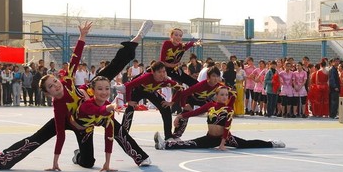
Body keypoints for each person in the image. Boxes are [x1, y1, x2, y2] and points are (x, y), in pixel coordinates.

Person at [0, 20, 154, 171]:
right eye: (51, 87)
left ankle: (140, 157)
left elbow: (75, 59)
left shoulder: (67, 81)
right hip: (73, 122)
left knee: (111, 75)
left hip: (90, 104)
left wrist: (82, 37)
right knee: (49, 144)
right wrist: (55, 162)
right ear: (48, 93)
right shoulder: (58, 107)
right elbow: (60, 134)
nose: (56, 86)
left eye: (55, 81)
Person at [153, 86, 285, 150]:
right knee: (190, 144)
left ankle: (271, 143)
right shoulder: (210, 105)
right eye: (221, 94)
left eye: (226, 95)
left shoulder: (228, 110)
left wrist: (222, 144)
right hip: (210, 138)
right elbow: (195, 112)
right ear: (216, 96)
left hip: (225, 138)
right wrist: (181, 116)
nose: (224, 97)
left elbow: (227, 127)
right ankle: (164, 145)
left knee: (246, 144)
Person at [121, 61, 183, 141]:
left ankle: (168, 136)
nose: (162, 74)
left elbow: (180, 88)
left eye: (164, 71)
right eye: (159, 72)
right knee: (130, 108)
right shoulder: (146, 77)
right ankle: (123, 133)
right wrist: (129, 100)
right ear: (153, 72)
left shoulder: (165, 81)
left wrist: (171, 102)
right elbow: (129, 86)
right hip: (138, 91)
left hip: (151, 92)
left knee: (165, 107)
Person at [171, 66, 224, 139]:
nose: (216, 79)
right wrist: (183, 105)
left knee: (216, 112)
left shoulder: (219, 86)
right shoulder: (201, 85)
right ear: (208, 77)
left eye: (217, 76)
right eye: (213, 76)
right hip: (192, 99)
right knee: (185, 114)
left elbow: (230, 92)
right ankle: (176, 134)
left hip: (204, 100)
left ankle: (213, 134)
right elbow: (184, 93)